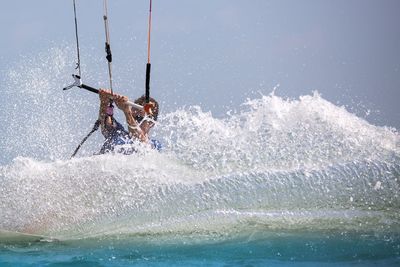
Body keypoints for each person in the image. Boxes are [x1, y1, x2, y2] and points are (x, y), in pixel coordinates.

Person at [98, 89, 161, 154]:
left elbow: (140, 143)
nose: (135, 121)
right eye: (133, 117)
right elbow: (106, 124)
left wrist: (127, 112)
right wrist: (104, 102)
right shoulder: (118, 133)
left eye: (139, 118)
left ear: (152, 123)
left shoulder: (154, 146)